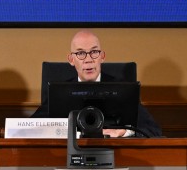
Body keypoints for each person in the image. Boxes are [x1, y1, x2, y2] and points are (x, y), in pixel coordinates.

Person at [32, 29, 163, 137]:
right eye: (81, 53)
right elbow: (31, 127)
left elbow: (152, 130)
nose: (88, 59)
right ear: (71, 59)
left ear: (102, 57)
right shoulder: (59, 92)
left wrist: (124, 132)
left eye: (94, 52)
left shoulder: (122, 90)